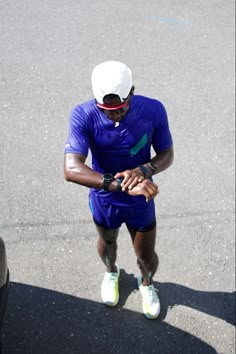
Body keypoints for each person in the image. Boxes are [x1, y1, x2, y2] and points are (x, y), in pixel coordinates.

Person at [64, 61, 174, 319]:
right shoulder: (83, 114)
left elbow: (167, 154)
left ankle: (146, 283)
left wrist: (144, 171)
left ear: (132, 92)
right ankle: (112, 272)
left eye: (120, 109)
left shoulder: (154, 109)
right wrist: (120, 184)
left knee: (146, 257)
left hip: (140, 199)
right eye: (106, 110)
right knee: (108, 243)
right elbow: (71, 168)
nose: (113, 115)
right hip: (104, 199)